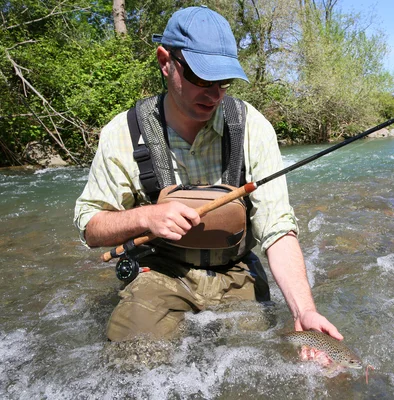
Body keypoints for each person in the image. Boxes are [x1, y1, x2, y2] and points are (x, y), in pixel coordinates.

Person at [74, 6, 342, 343]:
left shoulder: (252, 128)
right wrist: (147, 216)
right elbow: (91, 227)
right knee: (135, 361)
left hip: (236, 272)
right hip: (160, 272)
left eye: (224, 81)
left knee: (255, 364)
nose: (214, 94)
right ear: (165, 61)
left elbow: (278, 229)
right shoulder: (123, 133)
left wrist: (304, 311)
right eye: (201, 78)